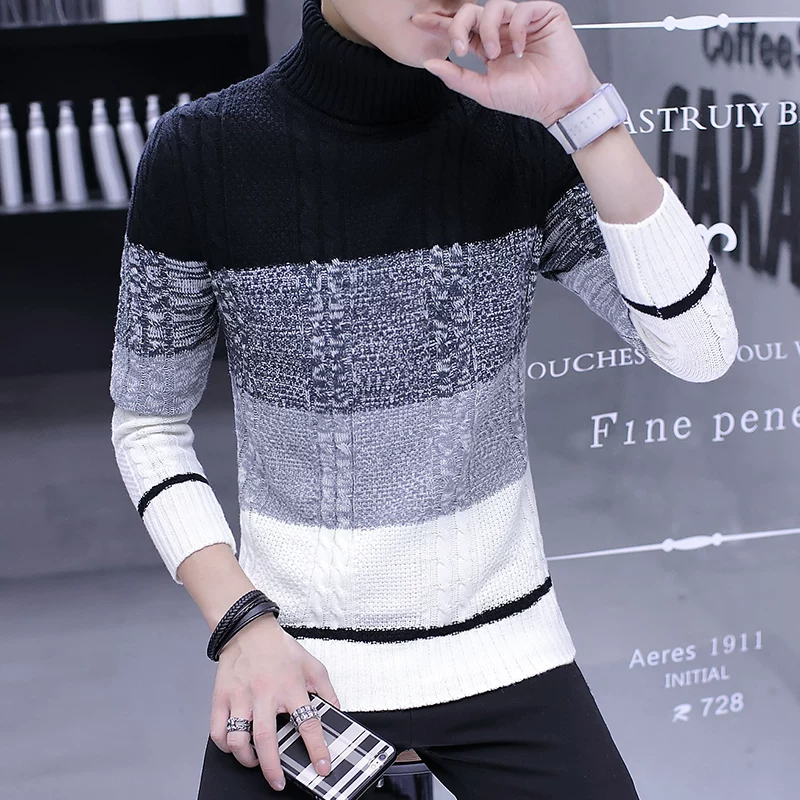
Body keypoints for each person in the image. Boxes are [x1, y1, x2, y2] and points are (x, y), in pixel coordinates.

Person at [109, 0, 738, 797]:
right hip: (297, 671)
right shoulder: (203, 151)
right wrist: (242, 625)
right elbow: (149, 424)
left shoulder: (514, 139)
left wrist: (582, 113)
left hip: (507, 654)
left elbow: (701, 347)